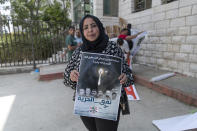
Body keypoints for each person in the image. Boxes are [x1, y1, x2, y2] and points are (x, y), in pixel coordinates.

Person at [64, 15, 133, 131]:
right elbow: (66, 77)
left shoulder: (113, 48)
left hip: (108, 103)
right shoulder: (79, 52)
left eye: (93, 26)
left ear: (100, 28)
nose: (90, 30)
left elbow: (129, 74)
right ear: (82, 31)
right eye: (85, 28)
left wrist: (125, 77)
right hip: (86, 103)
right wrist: (71, 76)